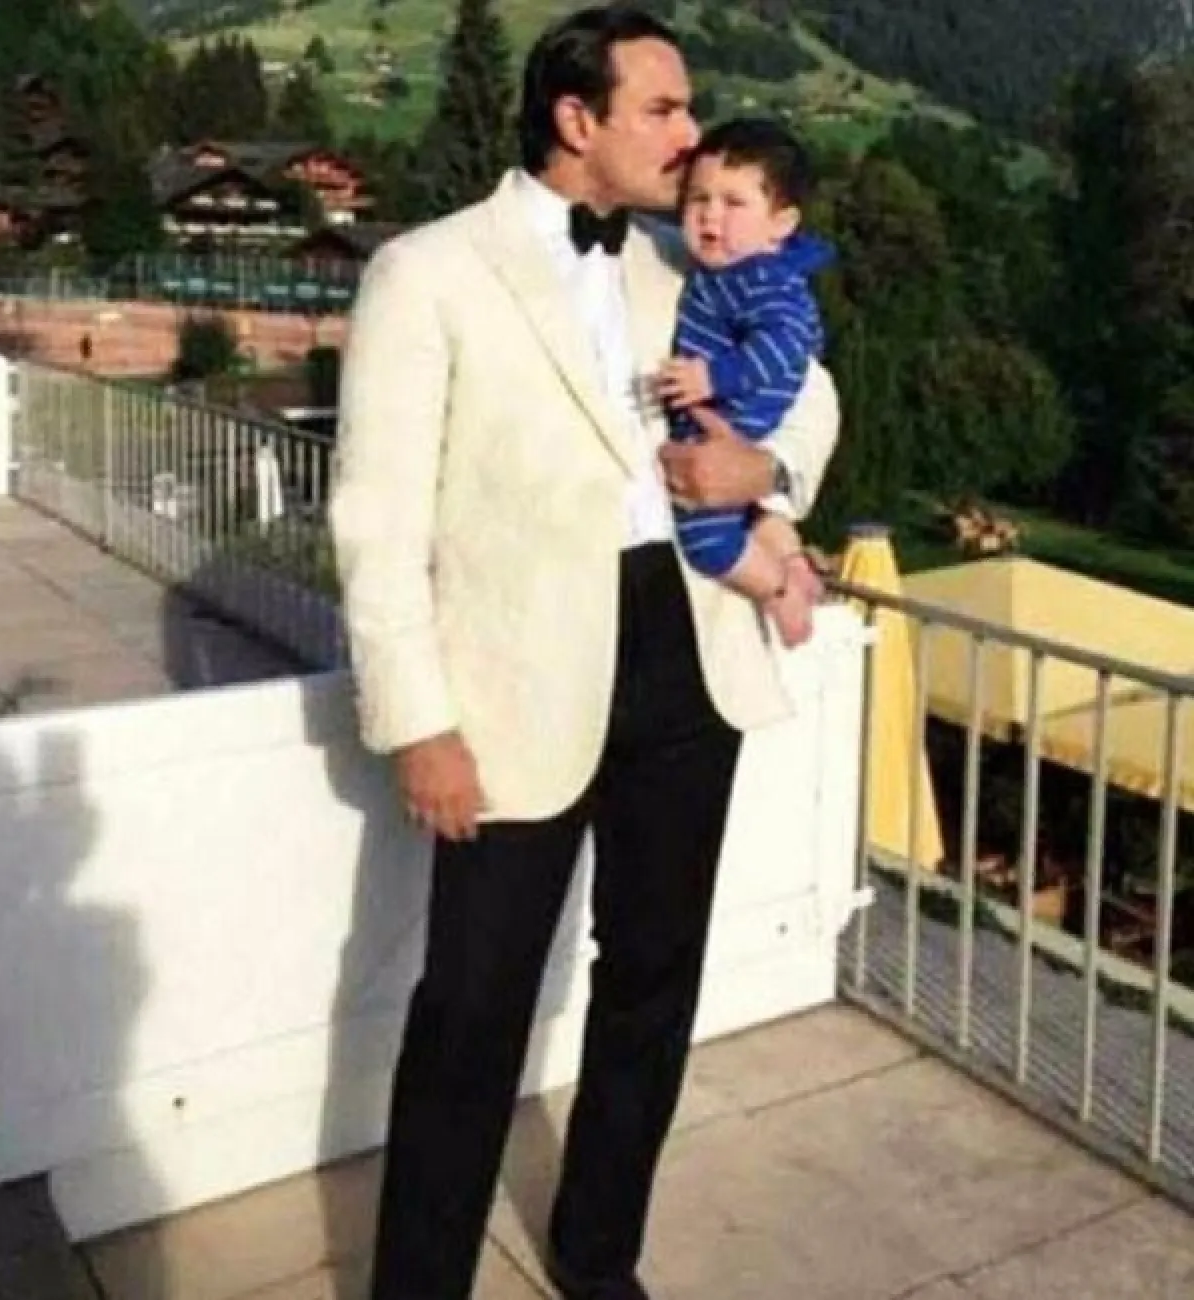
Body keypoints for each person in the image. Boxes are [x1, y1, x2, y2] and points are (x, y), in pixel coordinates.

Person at [329, 7, 840, 1299]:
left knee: (652, 983)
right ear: (577, 119)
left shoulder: (692, 256)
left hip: (687, 654)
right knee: (471, 1008)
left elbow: (815, 385)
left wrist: (764, 465)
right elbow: (377, 523)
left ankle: (599, 1258)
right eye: (663, 110)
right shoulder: (428, 272)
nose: (691, 135)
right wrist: (417, 722)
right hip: (515, 686)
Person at [655, 117, 834, 648]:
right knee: (756, 512)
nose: (710, 215)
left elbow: (786, 347)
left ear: (782, 223)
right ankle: (793, 563)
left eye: (733, 203)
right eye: (698, 199)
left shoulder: (765, 281)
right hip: (728, 418)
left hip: (737, 415)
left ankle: (780, 593)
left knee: (703, 533)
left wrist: (714, 377)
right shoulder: (723, 272)